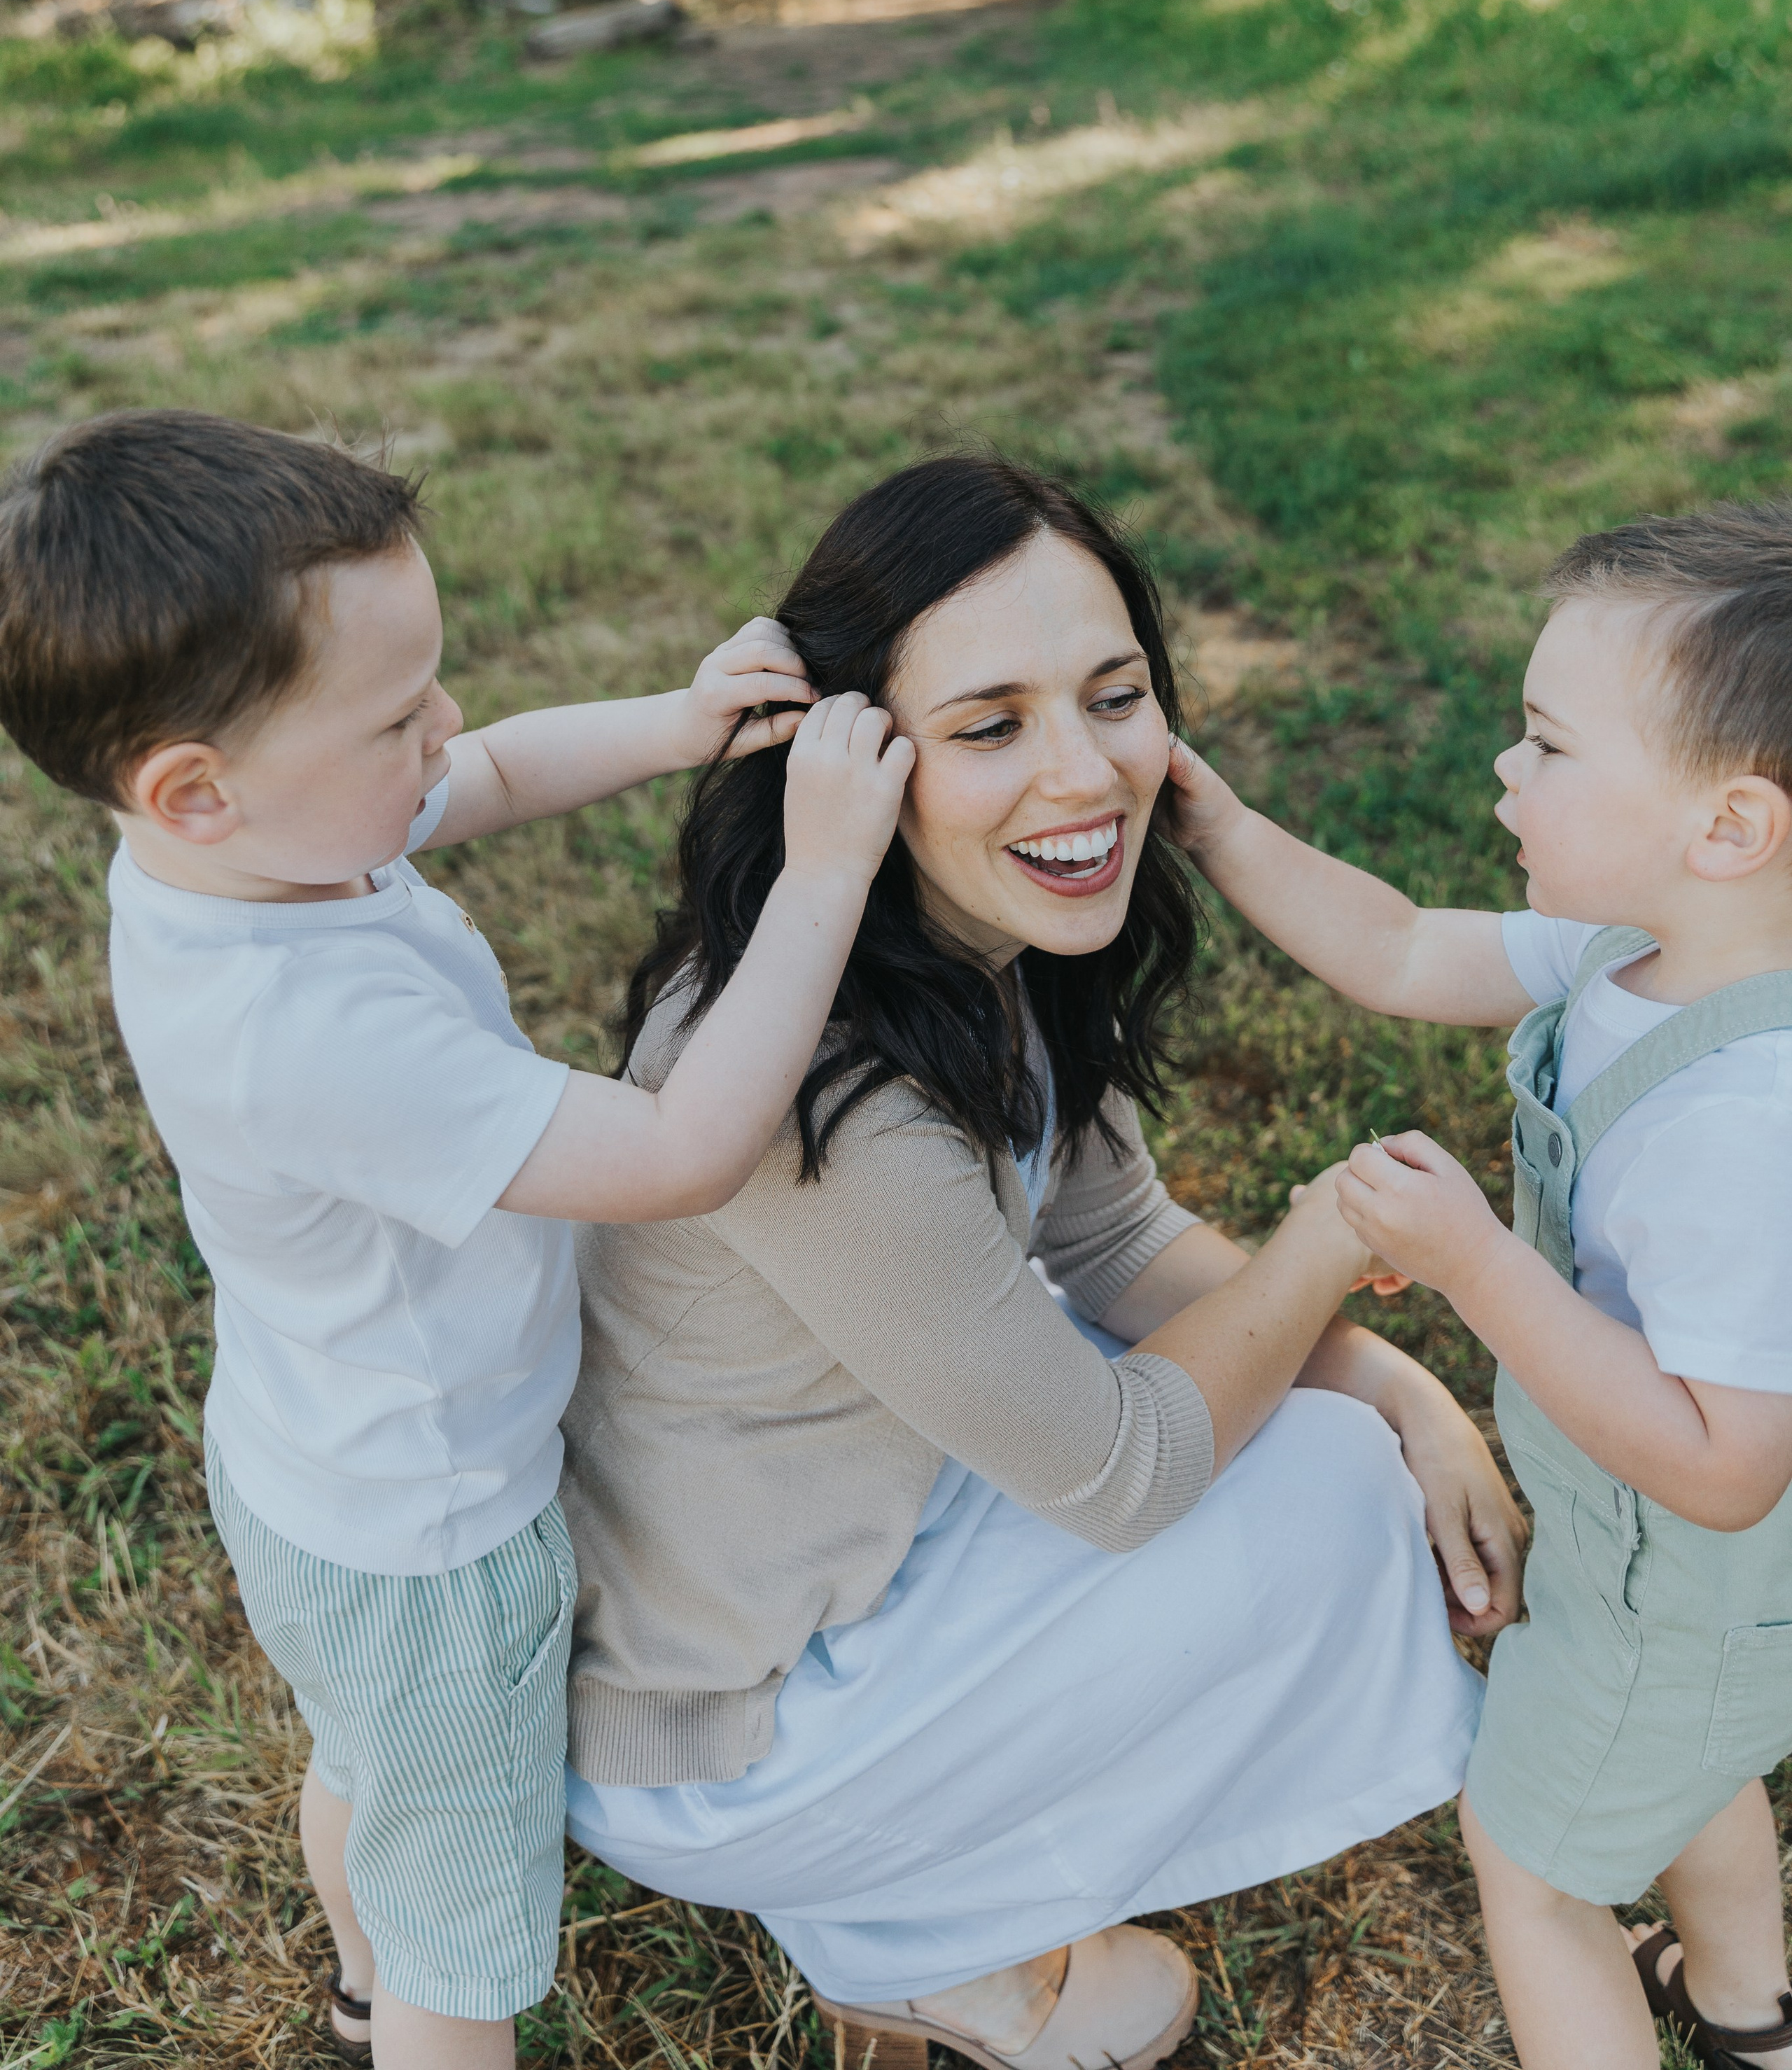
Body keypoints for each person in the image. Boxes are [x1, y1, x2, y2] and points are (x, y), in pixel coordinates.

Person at [559, 454, 1525, 2070]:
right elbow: (1127, 1474)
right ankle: (925, 1931)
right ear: (849, 763)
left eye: (1115, 697)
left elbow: (1116, 1234)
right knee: (1322, 1494)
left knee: (1321, 1425)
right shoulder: (812, 1077)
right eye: (991, 726)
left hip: (859, 1529)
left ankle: (922, 1903)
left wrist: (1402, 1382)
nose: (1081, 777)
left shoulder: (963, 946)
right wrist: (1325, 1240)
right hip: (722, 1725)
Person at [0, 410, 913, 2070]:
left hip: (309, 1464)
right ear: (193, 789)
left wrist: (677, 723)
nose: (448, 725)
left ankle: (360, 1990)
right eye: (397, 712)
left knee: (367, 1763)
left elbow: (478, 780)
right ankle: (400, 2010)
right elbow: (680, 1149)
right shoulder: (307, 1026)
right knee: (464, 1944)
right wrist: (825, 875)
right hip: (435, 1538)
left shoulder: (245, 855)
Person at [1174, 503, 1792, 2070]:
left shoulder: (1739, 1127)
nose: (1503, 772)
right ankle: (1744, 2016)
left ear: (1725, 824)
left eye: (1545, 744)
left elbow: (1728, 1470)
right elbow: (1390, 947)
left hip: (1687, 1578)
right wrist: (1219, 825)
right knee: (1689, 1767)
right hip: (1633, 1556)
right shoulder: (1636, 947)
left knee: (1528, 1868)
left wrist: (1471, 1262)